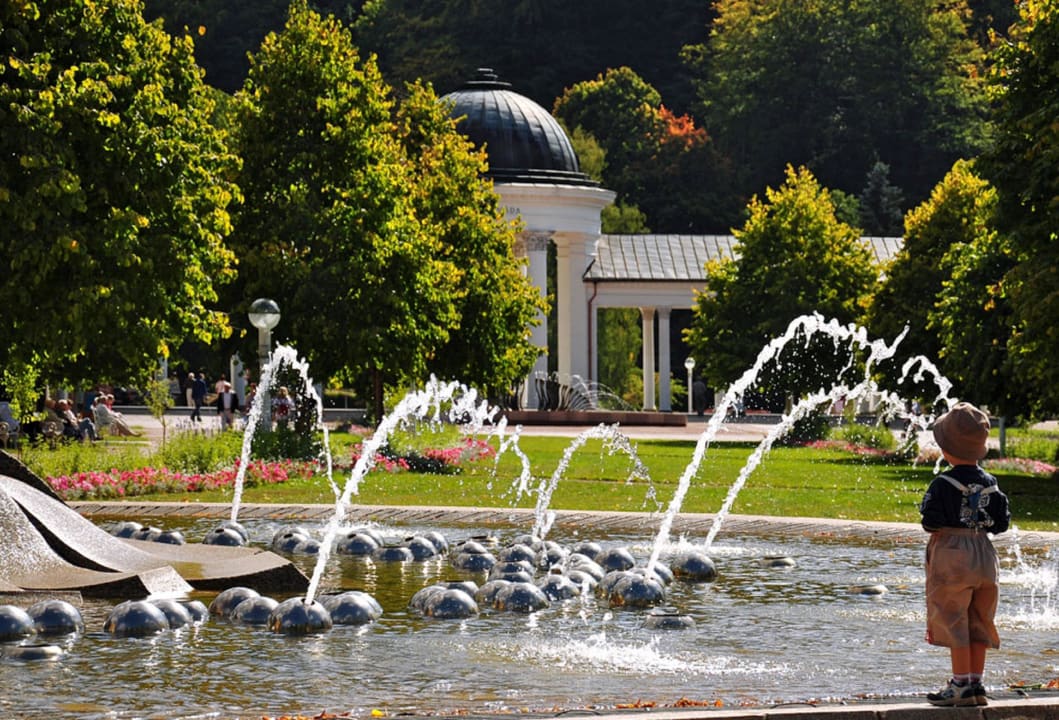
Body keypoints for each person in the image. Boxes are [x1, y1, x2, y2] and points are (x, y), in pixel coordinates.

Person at [920, 402, 1010, 707]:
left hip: (953, 554)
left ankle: (959, 684)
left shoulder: (942, 484)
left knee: (952, 616)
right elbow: (1001, 523)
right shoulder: (991, 484)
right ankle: (975, 683)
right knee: (978, 619)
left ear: (946, 450)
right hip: (984, 553)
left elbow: (930, 521)